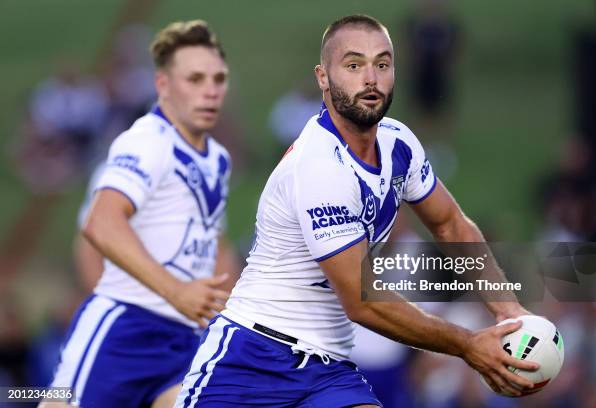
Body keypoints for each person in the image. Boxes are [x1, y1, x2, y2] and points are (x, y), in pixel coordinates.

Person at [175, 15, 538, 407]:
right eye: (353, 65)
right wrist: (469, 345)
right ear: (322, 77)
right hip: (251, 359)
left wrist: (509, 311)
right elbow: (361, 301)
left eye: (382, 64)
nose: (370, 78)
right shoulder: (320, 166)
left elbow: (450, 225)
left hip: (328, 369)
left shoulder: (400, 143)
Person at [42, 20, 239, 408]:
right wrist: (176, 291)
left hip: (185, 339)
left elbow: (214, 243)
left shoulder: (216, 158)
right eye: (195, 78)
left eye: (218, 78)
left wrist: (229, 312)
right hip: (127, 329)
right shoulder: (147, 142)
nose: (210, 90)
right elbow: (100, 225)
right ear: (163, 85)